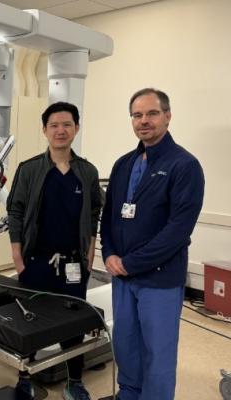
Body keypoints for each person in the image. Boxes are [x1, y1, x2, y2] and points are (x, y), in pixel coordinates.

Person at [100, 88, 204, 400]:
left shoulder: (184, 166)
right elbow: (109, 216)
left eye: (152, 113)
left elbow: (177, 230)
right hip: (122, 277)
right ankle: (129, 394)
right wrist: (109, 253)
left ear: (167, 117)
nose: (144, 121)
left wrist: (131, 263)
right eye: (137, 115)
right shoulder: (123, 164)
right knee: (126, 345)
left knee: (157, 353)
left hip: (159, 279)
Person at [7, 102, 103, 400]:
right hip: (36, 261)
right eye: (54, 125)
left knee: (73, 324)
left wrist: (89, 255)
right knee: (31, 320)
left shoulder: (86, 171)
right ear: (45, 130)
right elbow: (16, 212)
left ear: (76, 128)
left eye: (67, 124)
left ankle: (74, 381)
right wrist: (18, 258)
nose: (61, 130)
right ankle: (25, 376)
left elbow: (92, 215)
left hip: (74, 263)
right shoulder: (30, 169)